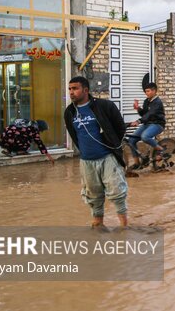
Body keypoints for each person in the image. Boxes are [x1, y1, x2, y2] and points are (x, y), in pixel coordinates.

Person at [64, 76, 128, 228]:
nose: (71, 92)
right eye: (70, 89)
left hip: (108, 158)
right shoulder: (69, 112)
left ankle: (124, 226)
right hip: (86, 161)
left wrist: (113, 147)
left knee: (117, 191)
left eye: (75, 88)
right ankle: (98, 225)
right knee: (93, 195)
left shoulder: (104, 106)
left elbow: (120, 128)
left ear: (86, 90)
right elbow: (74, 135)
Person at [128, 83, 166, 169]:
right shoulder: (146, 101)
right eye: (145, 91)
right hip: (148, 124)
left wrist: (138, 121)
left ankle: (160, 149)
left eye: (148, 91)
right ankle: (137, 163)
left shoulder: (157, 102)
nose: (146, 93)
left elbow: (150, 113)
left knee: (145, 136)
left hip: (158, 124)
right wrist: (138, 108)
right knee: (131, 140)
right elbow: (144, 114)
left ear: (154, 91)